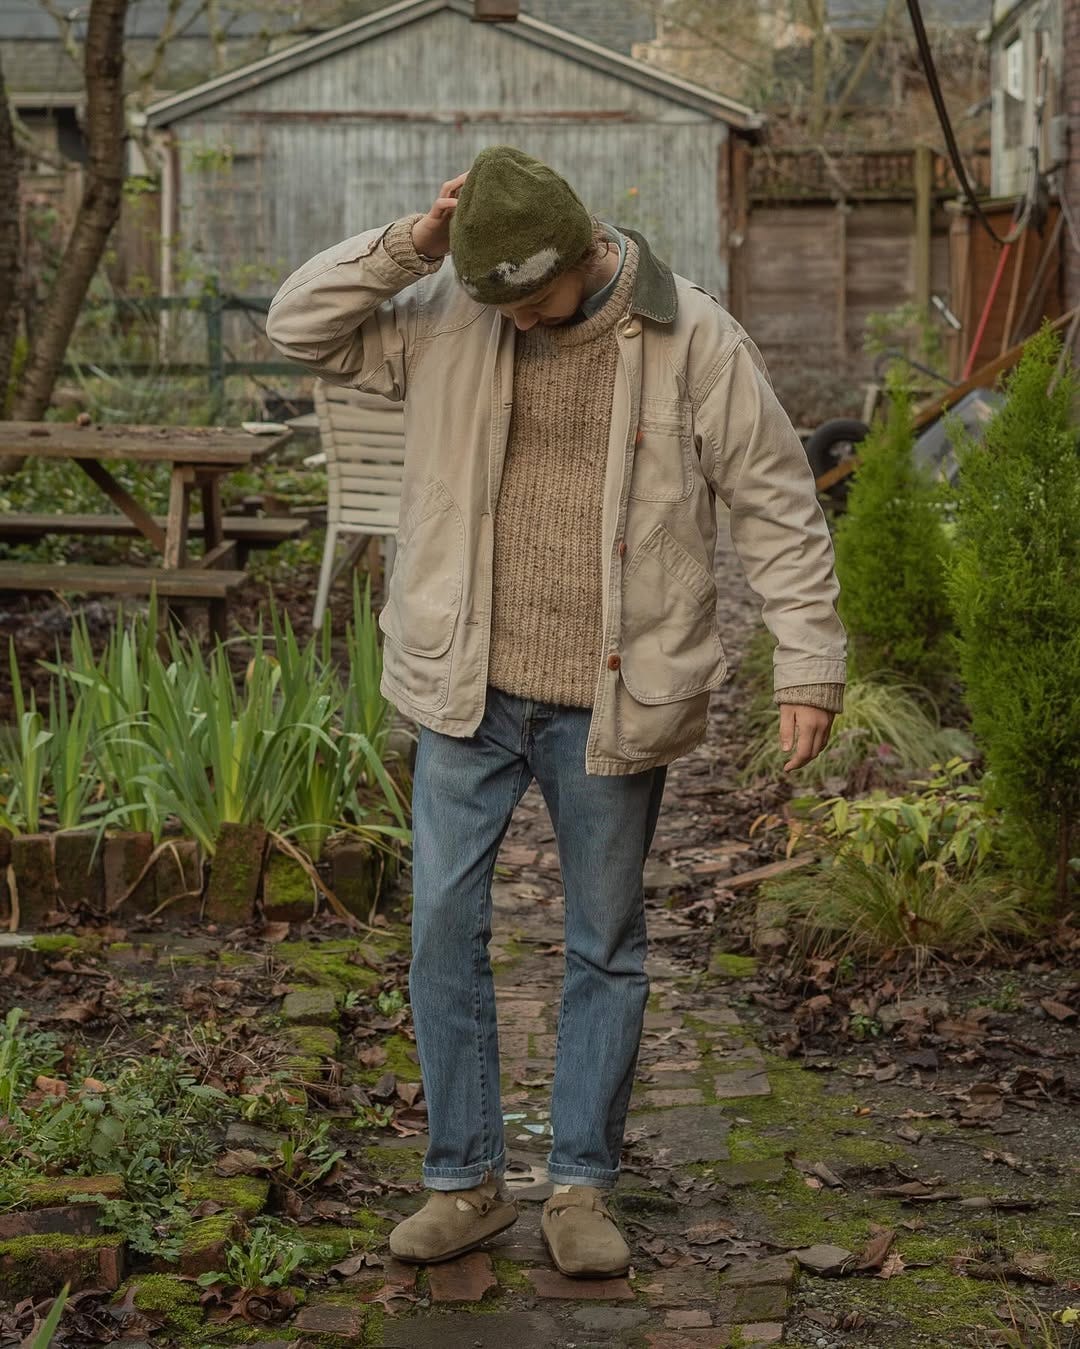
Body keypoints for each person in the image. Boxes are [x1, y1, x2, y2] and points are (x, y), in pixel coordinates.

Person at [266, 145, 846, 1278]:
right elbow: (297, 327)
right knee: (441, 924)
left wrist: (809, 660)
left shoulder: (696, 338)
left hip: (611, 702)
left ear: (585, 254)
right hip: (463, 682)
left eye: (531, 298)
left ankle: (580, 1183)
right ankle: (465, 1180)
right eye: (499, 299)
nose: (517, 321)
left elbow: (778, 502)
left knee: (605, 944)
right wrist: (408, 247)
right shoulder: (450, 309)